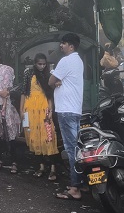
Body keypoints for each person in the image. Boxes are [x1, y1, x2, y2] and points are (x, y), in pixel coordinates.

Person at [49, 33, 84, 201]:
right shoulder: (78, 61)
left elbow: (50, 81)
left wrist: (55, 81)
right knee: (76, 148)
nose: (61, 46)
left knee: (72, 150)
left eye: (63, 43)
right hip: (75, 110)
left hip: (65, 110)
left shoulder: (66, 60)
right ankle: (79, 183)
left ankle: (75, 188)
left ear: (71, 46)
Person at [20, 53, 60, 181]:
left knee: (48, 137)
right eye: (39, 64)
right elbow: (23, 92)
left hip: (44, 108)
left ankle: (53, 168)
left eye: (44, 64)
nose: (42, 66)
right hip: (30, 108)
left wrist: (50, 110)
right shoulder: (28, 73)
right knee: (34, 138)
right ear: (35, 63)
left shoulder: (48, 74)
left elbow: (50, 94)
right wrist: (21, 110)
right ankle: (41, 166)